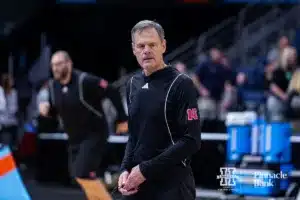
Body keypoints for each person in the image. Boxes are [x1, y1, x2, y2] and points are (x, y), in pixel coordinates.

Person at [118, 20, 201, 200]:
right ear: (134, 50)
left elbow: (191, 140)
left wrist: (145, 169)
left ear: (163, 46)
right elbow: (134, 136)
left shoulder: (181, 84)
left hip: (172, 186)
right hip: (139, 184)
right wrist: (125, 169)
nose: (146, 50)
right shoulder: (132, 84)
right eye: (141, 46)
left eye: (152, 44)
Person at [38, 50, 128, 200]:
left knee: (82, 171)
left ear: (69, 64)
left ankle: (107, 185)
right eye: (53, 65)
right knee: (77, 177)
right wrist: (47, 111)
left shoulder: (85, 81)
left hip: (95, 133)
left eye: (59, 64)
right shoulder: (53, 86)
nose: (55, 68)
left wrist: (122, 119)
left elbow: (112, 90)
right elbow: (58, 111)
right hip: (74, 137)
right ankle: (102, 194)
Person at [0, 74, 18, 150]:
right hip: (3, 124)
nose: (13, 82)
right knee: (5, 147)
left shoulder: (14, 92)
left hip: (12, 123)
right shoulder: (0, 92)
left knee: (12, 147)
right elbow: (2, 107)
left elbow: (14, 109)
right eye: (11, 80)